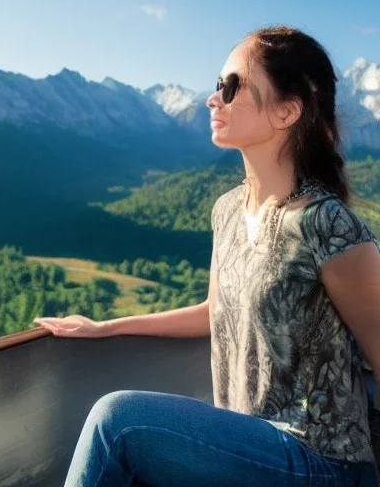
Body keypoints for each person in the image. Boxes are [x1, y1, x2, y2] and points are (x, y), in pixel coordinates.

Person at [34, 25, 380, 486]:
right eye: (218, 84)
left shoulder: (329, 225)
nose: (212, 98)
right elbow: (213, 311)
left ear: (287, 110)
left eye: (232, 86)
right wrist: (105, 328)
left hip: (321, 461)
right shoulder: (227, 211)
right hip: (249, 448)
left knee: (117, 424)